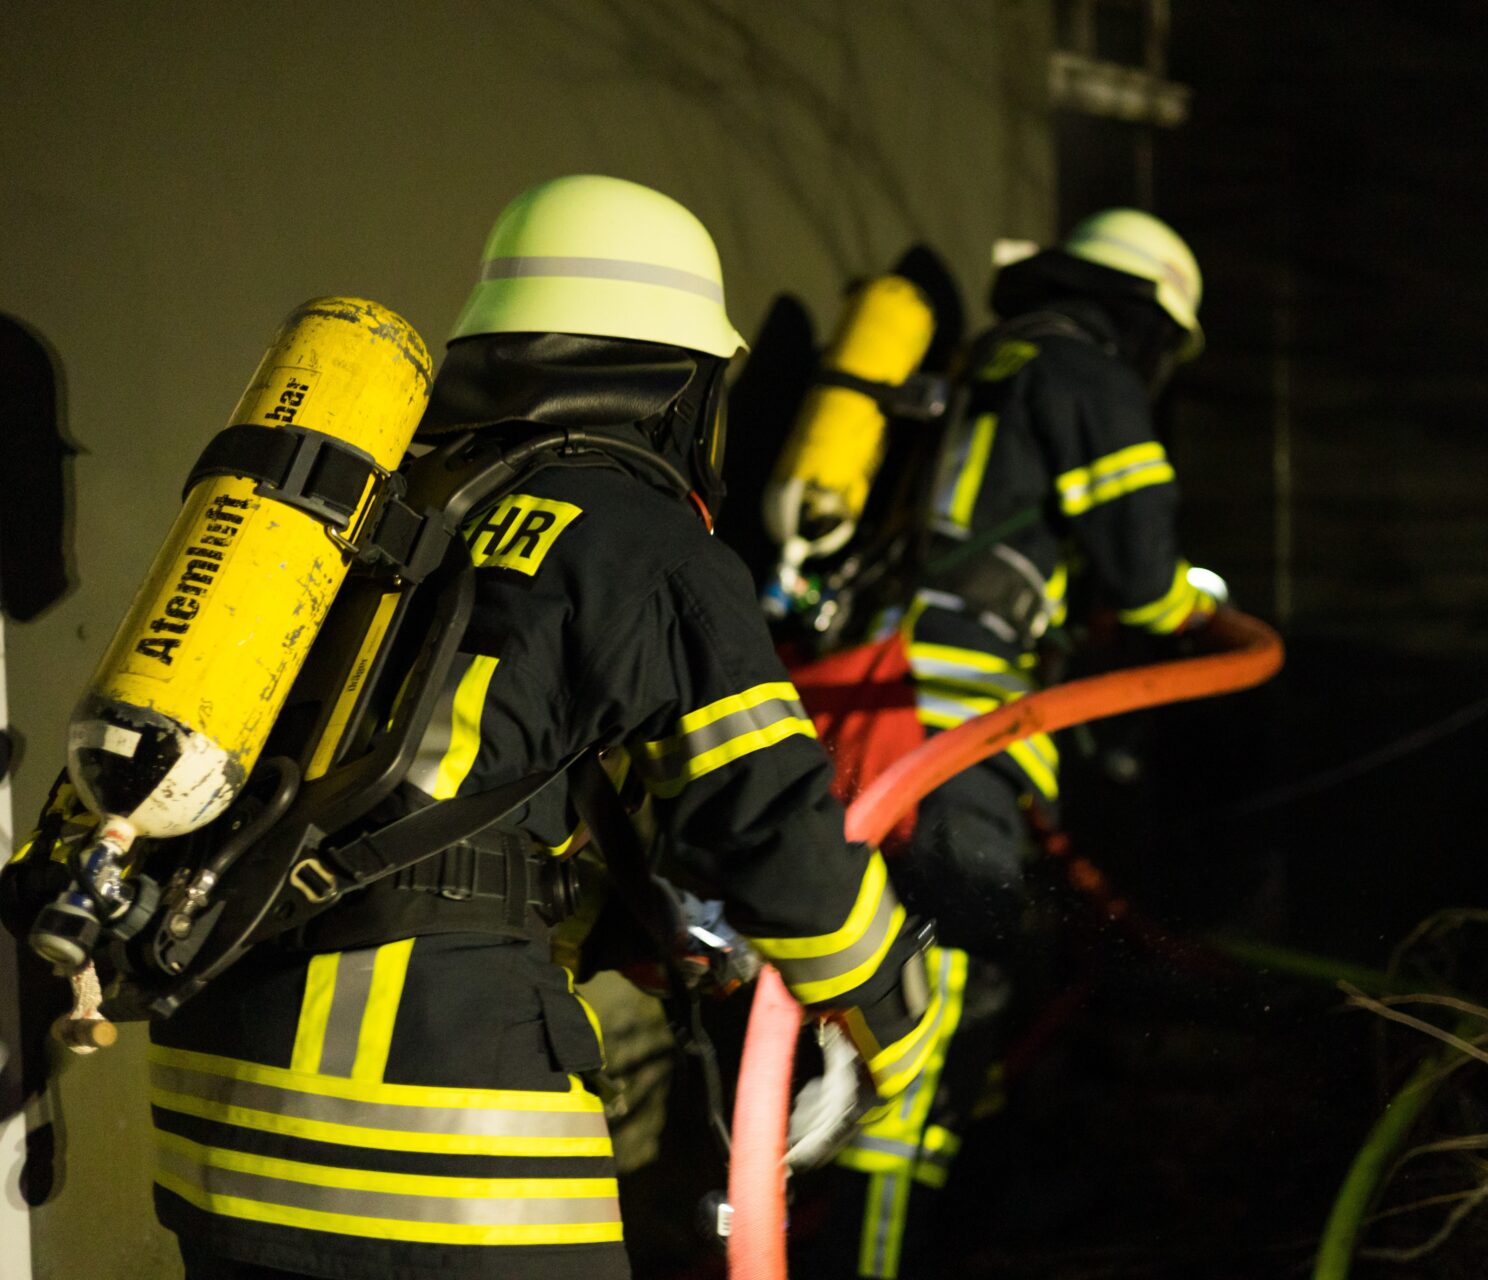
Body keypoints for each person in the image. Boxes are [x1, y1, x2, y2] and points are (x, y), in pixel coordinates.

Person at [142, 175, 941, 1280]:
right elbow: (767, 820)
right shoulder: (644, 542)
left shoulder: (382, 502)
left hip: (216, 1115)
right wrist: (891, 995)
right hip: (433, 1138)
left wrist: (624, 925)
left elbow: (430, 790)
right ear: (676, 381)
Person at [798, 208, 1217, 1278]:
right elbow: (1143, 578)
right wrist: (1192, 604)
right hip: (959, 734)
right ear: (1149, 320)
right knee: (930, 1022)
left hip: (873, 710)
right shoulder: (1091, 374)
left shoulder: (989, 359)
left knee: (894, 991)